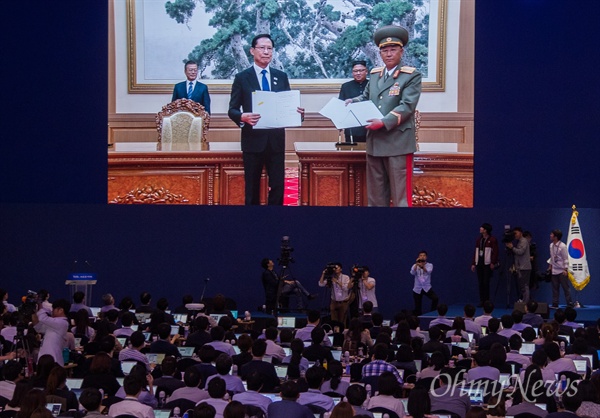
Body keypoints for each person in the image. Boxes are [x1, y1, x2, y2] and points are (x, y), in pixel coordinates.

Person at [346, 25, 422, 207]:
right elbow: (365, 97)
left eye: (393, 49)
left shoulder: (411, 76)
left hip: (398, 143)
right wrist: (352, 101)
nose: (388, 54)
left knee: (401, 199)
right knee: (376, 199)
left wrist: (383, 122)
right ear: (380, 53)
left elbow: (407, 106)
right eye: (384, 50)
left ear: (401, 51)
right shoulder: (374, 75)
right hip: (375, 143)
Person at [228, 33, 304, 205]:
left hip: (276, 141)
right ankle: (253, 225)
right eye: (262, 48)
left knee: (278, 186)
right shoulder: (242, 78)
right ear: (252, 51)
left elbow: (287, 106)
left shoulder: (281, 76)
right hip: (252, 141)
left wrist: (298, 114)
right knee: (252, 187)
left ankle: (275, 222)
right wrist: (242, 117)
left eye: (270, 48)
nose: (266, 52)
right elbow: (232, 109)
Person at [32, 299, 70, 366]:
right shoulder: (53, 323)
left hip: (54, 361)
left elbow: (42, 318)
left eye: (54, 308)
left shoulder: (63, 323)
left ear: (61, 310)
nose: (52, 310)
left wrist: (42, 307)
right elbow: (38, 327)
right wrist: (33, 313)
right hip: (44, 359)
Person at [338, 60, 369, 143]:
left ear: (366, 71)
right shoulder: (346, 86)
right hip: (351, 128)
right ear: (352, 73)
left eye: (361, 70)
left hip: (369, 127)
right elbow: (341, 106)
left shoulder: (372, 84)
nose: (358, 73)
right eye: (355, 71)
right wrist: (339, 122)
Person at [471, 222, 499, 306]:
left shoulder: (492, 240)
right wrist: (473, 263)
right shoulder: (479, 240)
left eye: (482, 228)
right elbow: (475, 252)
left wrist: (493, 262)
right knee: (480, 282)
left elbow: (495, 252)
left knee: (486, 282)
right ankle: (481, 300)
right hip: (479, 263)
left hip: (487, 264)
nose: (480, 228)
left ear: (486, 230)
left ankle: (487, 300)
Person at [318, 262, 353, 326]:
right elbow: (321, 284)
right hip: (334, 302)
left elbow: (346, 288)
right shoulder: (331, 277)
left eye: (337, 267)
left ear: (341, 269)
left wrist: (337, 282)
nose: (336, 269)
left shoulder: (345, 277)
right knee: (334, 321)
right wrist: (323, 274)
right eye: (335, 268)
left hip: (343, 302)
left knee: (342, 321)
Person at [505, 226, 532, 303]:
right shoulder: (519, 242)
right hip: (520, 267)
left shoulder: (524, 241)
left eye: (516, 233)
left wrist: (512, 247)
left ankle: (525, 302)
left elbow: (520, 252)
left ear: (520, 233)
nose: (515, 235)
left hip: (525, 267)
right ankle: (524, 301)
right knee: (522, 286)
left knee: (525, 286)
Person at [548, 228, 573, 307]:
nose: (550, 235)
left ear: (556, 237)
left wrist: (565, 269)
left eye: (551, 234)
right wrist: (550, 266)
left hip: (562, 271)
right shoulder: (551, 245)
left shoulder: (563, 246)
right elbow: (552, 257)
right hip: (554, 270)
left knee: (566, 288)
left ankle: (569, 303)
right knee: (555, 288)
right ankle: (555, 303)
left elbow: (566, 259)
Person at [410, 251, 438, 316]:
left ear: (426, 257)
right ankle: (417, 321)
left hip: (427, 288)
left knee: (435, 298)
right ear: (418, 257)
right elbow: (412, 273)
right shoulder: (415, 265)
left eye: (424, 255)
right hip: (417, 289)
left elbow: (428, 272)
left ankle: (432, 313)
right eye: (421, 255)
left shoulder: (430, 265)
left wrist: (422, 266)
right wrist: (417, 264)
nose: (422, 256)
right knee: (418, 307)